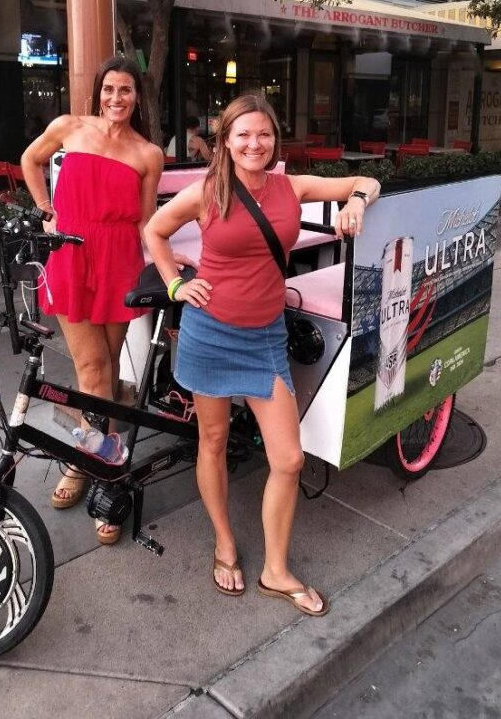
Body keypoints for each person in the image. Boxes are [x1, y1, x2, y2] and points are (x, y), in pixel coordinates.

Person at [144, 93, 380, 615]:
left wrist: (356, 203)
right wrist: (176, 284)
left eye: (264, 134)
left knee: (289, 458)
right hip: (210, 333)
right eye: (243, 135)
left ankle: (276, 569)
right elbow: (154, 230)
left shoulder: (290, 187)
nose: (255, 144)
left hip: (265, 338)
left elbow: (367, 181)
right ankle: (225, 542)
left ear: (276, 140)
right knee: (212, 439)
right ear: (225, 141)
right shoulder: (207, 192)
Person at [21, 55, 184, 545]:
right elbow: (30, 161)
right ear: (98, 92)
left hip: (118, 263)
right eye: (109, 89)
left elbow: (145, 221)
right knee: (92, 370)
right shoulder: (68, 127)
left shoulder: (148, 153)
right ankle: (93, 467)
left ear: (138, 97)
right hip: (71, 255)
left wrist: (166, 270)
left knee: (108, 372)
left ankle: (101, 453)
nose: (117, 98)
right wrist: (46, 212)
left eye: (126, 91)